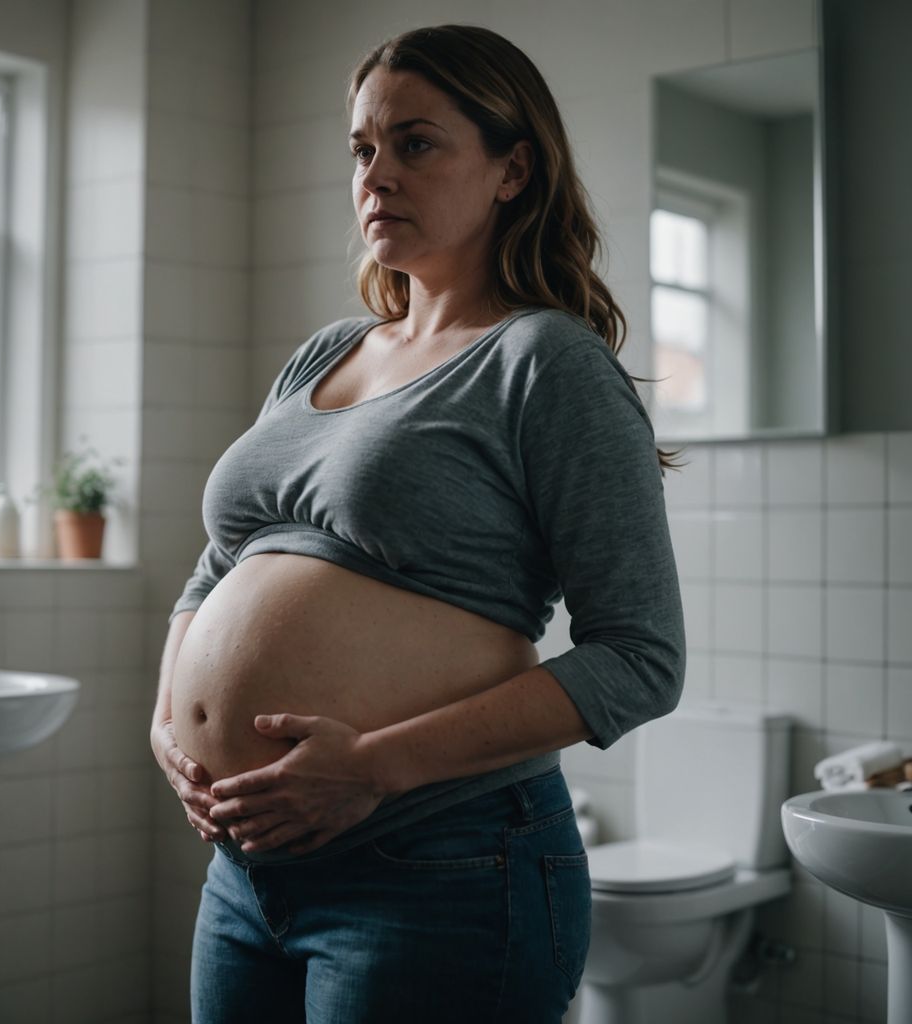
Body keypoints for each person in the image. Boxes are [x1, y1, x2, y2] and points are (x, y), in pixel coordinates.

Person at [150, 23, 685, 1024]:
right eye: (362, 148)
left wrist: (369, 767)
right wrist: (164, 720)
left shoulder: (545, 362)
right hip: (246, 876)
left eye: (416, 143)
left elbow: (641, 656)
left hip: (439, 867)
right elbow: (216, 569)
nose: (376, 174)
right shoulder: (320, 356)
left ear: (511, 169)